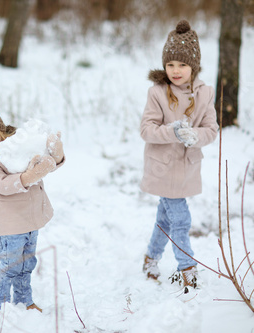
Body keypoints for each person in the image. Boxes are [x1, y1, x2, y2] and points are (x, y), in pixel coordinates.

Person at [0, 97, 65, 313]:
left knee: (26, 265)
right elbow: (1, 184)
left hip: (30, 218)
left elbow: (42, 164)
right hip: (11, 224)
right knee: (10, 266)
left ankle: (25, 301)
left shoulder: (18, 146)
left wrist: (55, 155)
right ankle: (0, 307)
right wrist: (28, 176)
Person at [140, 20, 218, 293]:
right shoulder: (157, 93)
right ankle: (187, 268)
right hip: (162, 168)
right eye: (170, 64)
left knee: (165, 218)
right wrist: (173, 131)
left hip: (186, 168)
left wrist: (195, 136)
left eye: (182, 65)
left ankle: (151, 258)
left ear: (193, 67)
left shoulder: (205, 93)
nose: (175, 71)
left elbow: (211, 129)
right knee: (181, 220)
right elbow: (146, 130)